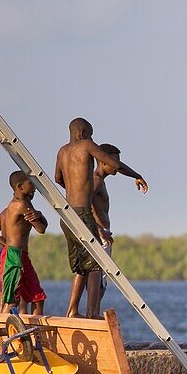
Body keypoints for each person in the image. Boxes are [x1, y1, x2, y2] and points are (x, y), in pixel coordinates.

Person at [54, 118, 147, 318]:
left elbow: (57, 178)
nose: (92, 139)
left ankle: (73, 311)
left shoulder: (62, 151)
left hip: (67, 212)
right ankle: (92, 314)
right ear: (83, 133)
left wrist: (74, 189)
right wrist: (136, 174)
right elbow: (114, 163)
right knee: (95, 264)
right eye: (90, 134)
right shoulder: (86, 145)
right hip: (82, 212)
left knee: (82, 265)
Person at [0, 172, 48, 314]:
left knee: (37, 297)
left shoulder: (27, 203)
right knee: (11, 299)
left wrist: (39, 214)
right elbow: (40, 228)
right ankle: (2, 330)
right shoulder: (19, 205)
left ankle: (35, 332)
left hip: (23, 255)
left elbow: (42, 226)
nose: (34, 188)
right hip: (13, 255)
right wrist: (39, 215)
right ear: (20, 187)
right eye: (31, 184)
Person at [91, 143, 124, 302]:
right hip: (100, 234)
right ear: (103, 162)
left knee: (101, 278)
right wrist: (99, 230)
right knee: (100, 277)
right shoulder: (96, 181)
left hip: (103, 232)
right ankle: (93, 314)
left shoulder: (99, 181)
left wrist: (136, 176)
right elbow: (84, 207)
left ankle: (93, 312)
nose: (117, 166)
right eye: (114, 163)